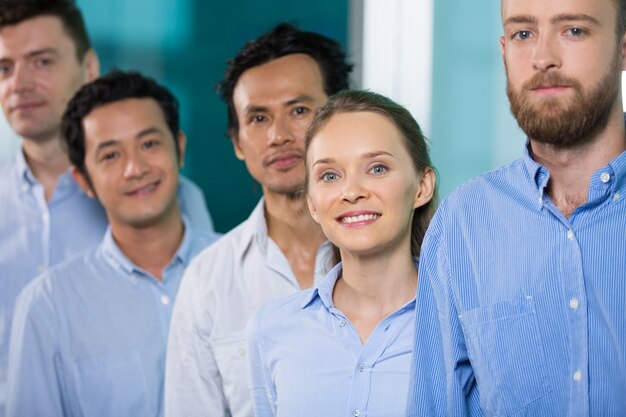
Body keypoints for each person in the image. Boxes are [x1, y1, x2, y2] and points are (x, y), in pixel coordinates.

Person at [406, 0, 626, 415]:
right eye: (524, 34)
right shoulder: (461, 225)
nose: (543, 58)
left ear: (622, 48)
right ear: (504, 49)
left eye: (573, 30)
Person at [0, 2, 213, 412]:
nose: (19, 84)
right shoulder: (46, 299)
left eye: (41, 61)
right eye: (4, 68)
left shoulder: (170, 196)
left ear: (89, 66)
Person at [164, 23, 352, 417]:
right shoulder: (208, 280)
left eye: (299, 110)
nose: (278, 135)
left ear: (342, 116)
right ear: (237, 143)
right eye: (258, 119)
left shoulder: (403, 258)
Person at [247, 90, 436, 417]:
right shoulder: (271, 328)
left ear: (422, 186)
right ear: (312, 203)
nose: (351, 192)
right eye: (330, 175)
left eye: (377, 168)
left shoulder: (459, 324)